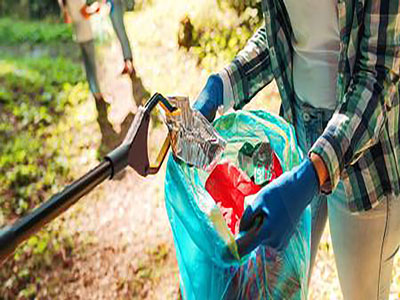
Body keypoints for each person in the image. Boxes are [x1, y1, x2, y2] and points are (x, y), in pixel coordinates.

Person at [194, 0, 400, 298]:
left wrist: (309, 176)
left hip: (365, 153)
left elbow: (378, 75)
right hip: (297, 132)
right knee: (280, 286)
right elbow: (285, 29)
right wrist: (224, 84)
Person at [58, 0, 148, 153]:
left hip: (78, 34)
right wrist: (94, 9)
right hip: (86, 33)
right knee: (92, 67)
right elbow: (84, 12)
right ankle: (98, 95)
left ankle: (96, 93)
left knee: (89, 68)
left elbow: (68, 19)